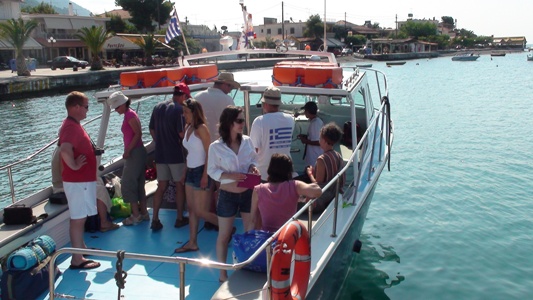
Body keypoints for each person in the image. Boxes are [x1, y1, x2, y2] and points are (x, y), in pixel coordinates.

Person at [207, 106, 259, 282]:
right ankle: (222, 274)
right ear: (229, 123)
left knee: (250, 232)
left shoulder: (247, 141)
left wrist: (253, 167)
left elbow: (253, 159)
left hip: (247, 192)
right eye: (239, 121)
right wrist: (228, 175)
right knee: (224, 235)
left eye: (243, 120)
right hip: (227, 195)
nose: (243, 124)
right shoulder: (216, 147)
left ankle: (248, 266)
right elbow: (212, 171)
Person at [59, 91, 100, 270]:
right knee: (78, 218)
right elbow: (65, 149)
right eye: (86, 107)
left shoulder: (73, 125)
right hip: (78, 182)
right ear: (75, 107)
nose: (87, 111)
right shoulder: (70, 127)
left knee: (80, 216)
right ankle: (77, 259)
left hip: (82, 181)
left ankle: (80, 248)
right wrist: (74, 166)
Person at [175, 99, 217, 253]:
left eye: (186, 112)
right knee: (191, 209)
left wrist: (205, 175)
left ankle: (226, 226)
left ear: (194, 112)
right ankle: (192, 242)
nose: (183, 115)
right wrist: (185, 172)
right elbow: (190, 154)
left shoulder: (201, 129)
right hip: (191, 172)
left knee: (200, 211)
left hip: (201, 171)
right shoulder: (188, 128)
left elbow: (209, 154)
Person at [148, 83, 189, 231]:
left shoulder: (158, 107)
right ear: (183, 96)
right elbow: (181, 134)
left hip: (160, 154)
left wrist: (159, 141)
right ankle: (179, 218)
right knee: (179, 185)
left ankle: (155, 219)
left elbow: (151, 128)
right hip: (175, 155)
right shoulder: (179, 110)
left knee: (162, 186)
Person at [51, 146, 119, 232]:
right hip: (63, 186)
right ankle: (104, 222)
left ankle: (104, 214)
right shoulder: (65, 151)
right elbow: (65, 174)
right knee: (100, 190)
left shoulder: (61, 148)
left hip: (67, 182)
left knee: (99, 179)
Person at [249, 153, 322, 232]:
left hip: (267, 238)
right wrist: (307, 192)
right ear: (289, 170)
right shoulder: (294, 186)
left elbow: (253, 220)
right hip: (288, 235)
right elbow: (318, 191)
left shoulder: (258, 190)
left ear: (270, 168)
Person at [107, 91, 149, 226]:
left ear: (123, 104)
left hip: (134, 153)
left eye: (117, 107)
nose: (116, 110)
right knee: (139, 183)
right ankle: (143, 213)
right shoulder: (129, 114)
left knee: (128, 183)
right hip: (138, 152)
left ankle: (136, 215)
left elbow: (138, 133)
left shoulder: (130, 115)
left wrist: (128, 150)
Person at [250, 86, 295, 181]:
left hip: (265, 174)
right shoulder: (290, 119)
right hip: (285, 171)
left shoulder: (259, 121)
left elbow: (254, 150)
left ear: (265, 104)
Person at [306, 122, 345, 213]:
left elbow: (317, 185)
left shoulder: (322, 159)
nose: (319, 140)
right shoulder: (338, 155)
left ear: (324, 140)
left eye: (320, 138)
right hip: (334, 195)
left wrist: (310, 173)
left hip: (322, 200)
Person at [195, 72, 240, 143]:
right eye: (231, 87)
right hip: (220, 145)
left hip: (200, 144)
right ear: (225, 85)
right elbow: (234, 125)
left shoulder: (197, 97)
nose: (230, 90)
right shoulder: (228, 100)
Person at [297, 101, 324, 168]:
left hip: (314, 157)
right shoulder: (315, 121)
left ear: (308, 111)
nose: (304, 112)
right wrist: (305, 136)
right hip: (313, 157)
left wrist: (305, 141)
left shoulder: (316, 124)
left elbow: (319, 142)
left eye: (305, 110)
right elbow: (314, 136)